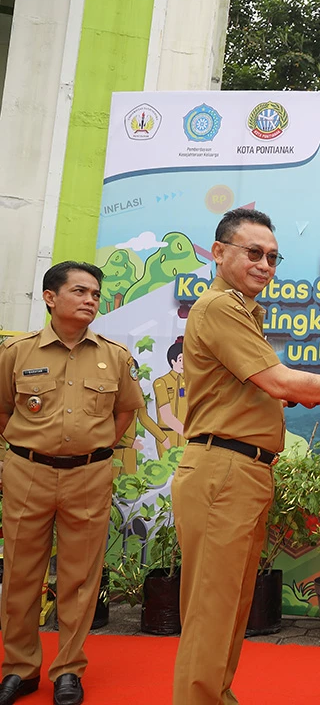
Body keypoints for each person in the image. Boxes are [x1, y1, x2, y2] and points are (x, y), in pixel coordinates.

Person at [172, 208, 320, 705]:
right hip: (222, 469)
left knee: (231, 605)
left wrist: (292, 393)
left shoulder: (245, 313)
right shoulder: (220, 307)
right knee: (212, 608)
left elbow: (266, 388)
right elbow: (277, 380)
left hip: (243, 471)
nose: (265, 264)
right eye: (253, 253)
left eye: (272, 256)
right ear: (219, 252)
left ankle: (217, 694)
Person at [0, 261, 144, 705]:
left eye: (95, 295)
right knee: (21, 575)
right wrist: (30, 446)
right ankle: (19, 670)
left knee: (80, 578)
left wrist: (94, 448)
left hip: (89, 475)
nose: (90, 300)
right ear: (50, 297)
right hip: (28, 473)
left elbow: (125, 411)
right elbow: (4, 409)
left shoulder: (114, 356)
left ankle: (68, 669)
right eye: (80, 291)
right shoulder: (18, 352)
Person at [152, 337, 187, 457]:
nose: (184, 363)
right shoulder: (161, 382)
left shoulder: (190, 382)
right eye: (181, 359)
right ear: (173, 361)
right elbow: (166, 415)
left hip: (186, 437)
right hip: (168, 436)